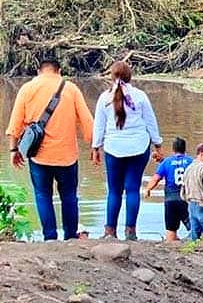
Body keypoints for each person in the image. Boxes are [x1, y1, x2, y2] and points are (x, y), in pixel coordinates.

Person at [6, 59, 94, 241]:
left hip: (39, 156)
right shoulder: (70, 89)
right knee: (69, 197)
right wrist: (95, 146)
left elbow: (15, 124)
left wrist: (14, 150)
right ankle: (70, 237)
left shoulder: (27, 89)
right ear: (59, 71)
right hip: (67, 156)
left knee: (42, 195)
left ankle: (50, 237)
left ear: (39, 71)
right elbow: (87, 123)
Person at [92, 61, 163, 241]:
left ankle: (110, 232)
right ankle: (131, 232)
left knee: (114, 191)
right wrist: (158, 144)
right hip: (139, 148)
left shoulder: (104, 98)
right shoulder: (140, 96)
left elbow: (99, 126)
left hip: (113, 148)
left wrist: (96, 147)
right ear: (129, 76)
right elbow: (150, 121)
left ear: (111, 77)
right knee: (132, 189)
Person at [145, 137, 193, 242]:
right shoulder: (191, 161)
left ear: (173, 149)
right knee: (192, 226)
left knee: (171, 228)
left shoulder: (166, 162)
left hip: (170, 198)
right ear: (185, 149)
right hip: (185, 197)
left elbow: (156, 178)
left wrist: (148, 189)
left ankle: (171, 246)